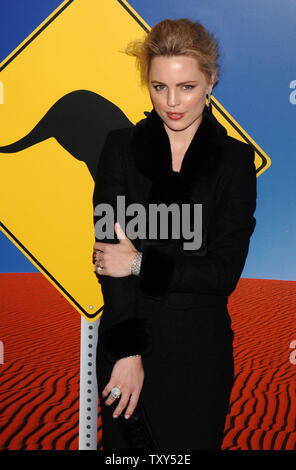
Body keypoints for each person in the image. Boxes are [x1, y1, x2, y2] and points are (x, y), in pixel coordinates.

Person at [92, 18, 257, 450]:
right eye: (159, 86)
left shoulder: (235, 162)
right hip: (126, 340)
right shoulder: (119, 148)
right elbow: (110, 264)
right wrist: (127, 355)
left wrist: (139, 262)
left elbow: (222, 274)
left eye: (186, 86)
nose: (172, 102)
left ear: (211, 81)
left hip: (199, 353)